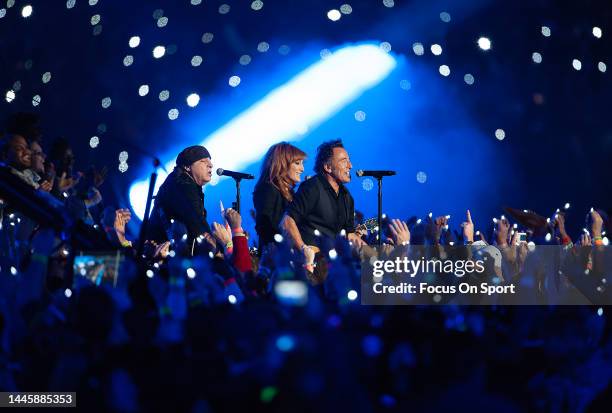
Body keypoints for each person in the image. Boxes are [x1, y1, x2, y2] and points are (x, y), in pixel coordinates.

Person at [281, 139, 365, 259]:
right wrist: (304, 249)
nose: (350, 166)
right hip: (310, 263)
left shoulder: (347, 197)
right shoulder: (312, 187)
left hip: (332, 263)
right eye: (344, 161)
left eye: (349, 160)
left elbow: (350, 235)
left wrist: (375, 256)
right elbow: (287, 221)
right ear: (328, 167)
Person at [148, 145, 213, 249]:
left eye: (210, 161)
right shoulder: (182, 184)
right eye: (203, 161)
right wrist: (217, 249)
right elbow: (196, 220)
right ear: (187, 167)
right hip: (161, 253)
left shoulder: (185, 183)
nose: (210, 165)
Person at [253, 142, 306, 247]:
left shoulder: (291, 193)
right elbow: (264, 225)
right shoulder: (268, 188)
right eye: (297, 163)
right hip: (279, 255)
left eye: (302, 163)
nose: (302, 169)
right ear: (282, 163)